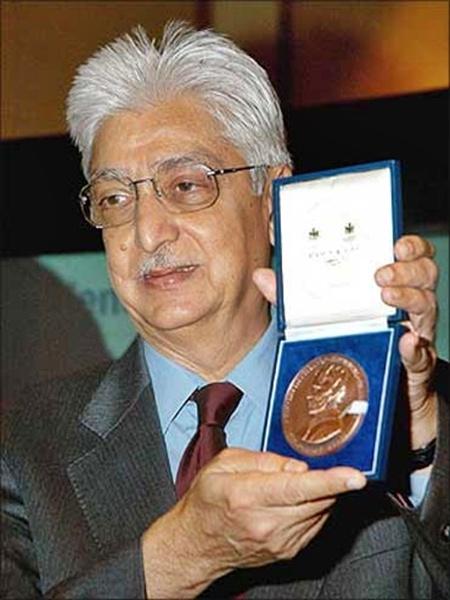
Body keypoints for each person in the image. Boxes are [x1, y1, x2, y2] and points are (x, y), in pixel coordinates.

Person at [2, 21, 448, 599]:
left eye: (186, 185)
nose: (147, 232)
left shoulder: (412, 407)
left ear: (273, 200)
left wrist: (415, 429)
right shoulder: (24, 442)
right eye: (115, 198)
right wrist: (181, 555)